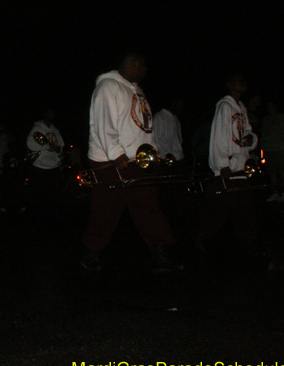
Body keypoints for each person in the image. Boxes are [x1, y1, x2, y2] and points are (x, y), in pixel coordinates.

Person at [79, 50, 181, 272]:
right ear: (132, 64)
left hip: (138, 162)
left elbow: (144, 128)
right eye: (142, 64)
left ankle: (160, 252)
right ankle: (90, 253)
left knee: (148, 207)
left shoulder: (139, 91)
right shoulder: (108, 87)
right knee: (105, 210)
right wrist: (116, 153)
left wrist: (154, 154)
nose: (145, 69)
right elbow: (102, 122)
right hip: (112, 160)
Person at [198, 73, 259, 251]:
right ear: (230, 84)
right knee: (217, 208)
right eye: (239, 80)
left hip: (241, 166)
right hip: (229, 167)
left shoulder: (241, 107)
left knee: (244, 207)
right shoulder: (225, 106)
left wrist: (251, 138)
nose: (243, 83)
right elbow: (218, 136)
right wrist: (222, 164)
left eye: (244, 80)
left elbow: (248, 131)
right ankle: (203, 237)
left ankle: (248, 241)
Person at [25, 108, 68, 217]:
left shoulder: (55, 130)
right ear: (45, 114)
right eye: (50, 112)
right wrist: (46, 145)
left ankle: (51, 217)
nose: (52, 115)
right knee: (38, 195)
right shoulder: (38, 128)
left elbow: (61, 147)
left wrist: (58, 150)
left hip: (53, 167)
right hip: (39, 167)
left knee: (53, 195)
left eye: (53, 113)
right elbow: (30, 145)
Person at [261, 100, 284, 202]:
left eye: (271, 105)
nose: (269, 107)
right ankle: (275, 193)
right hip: (268, 149)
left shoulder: (283, 117)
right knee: (272, 172)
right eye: (268, 105)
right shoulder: (265, 119)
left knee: (282, 171)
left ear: (275, 106)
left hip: (280, 148)